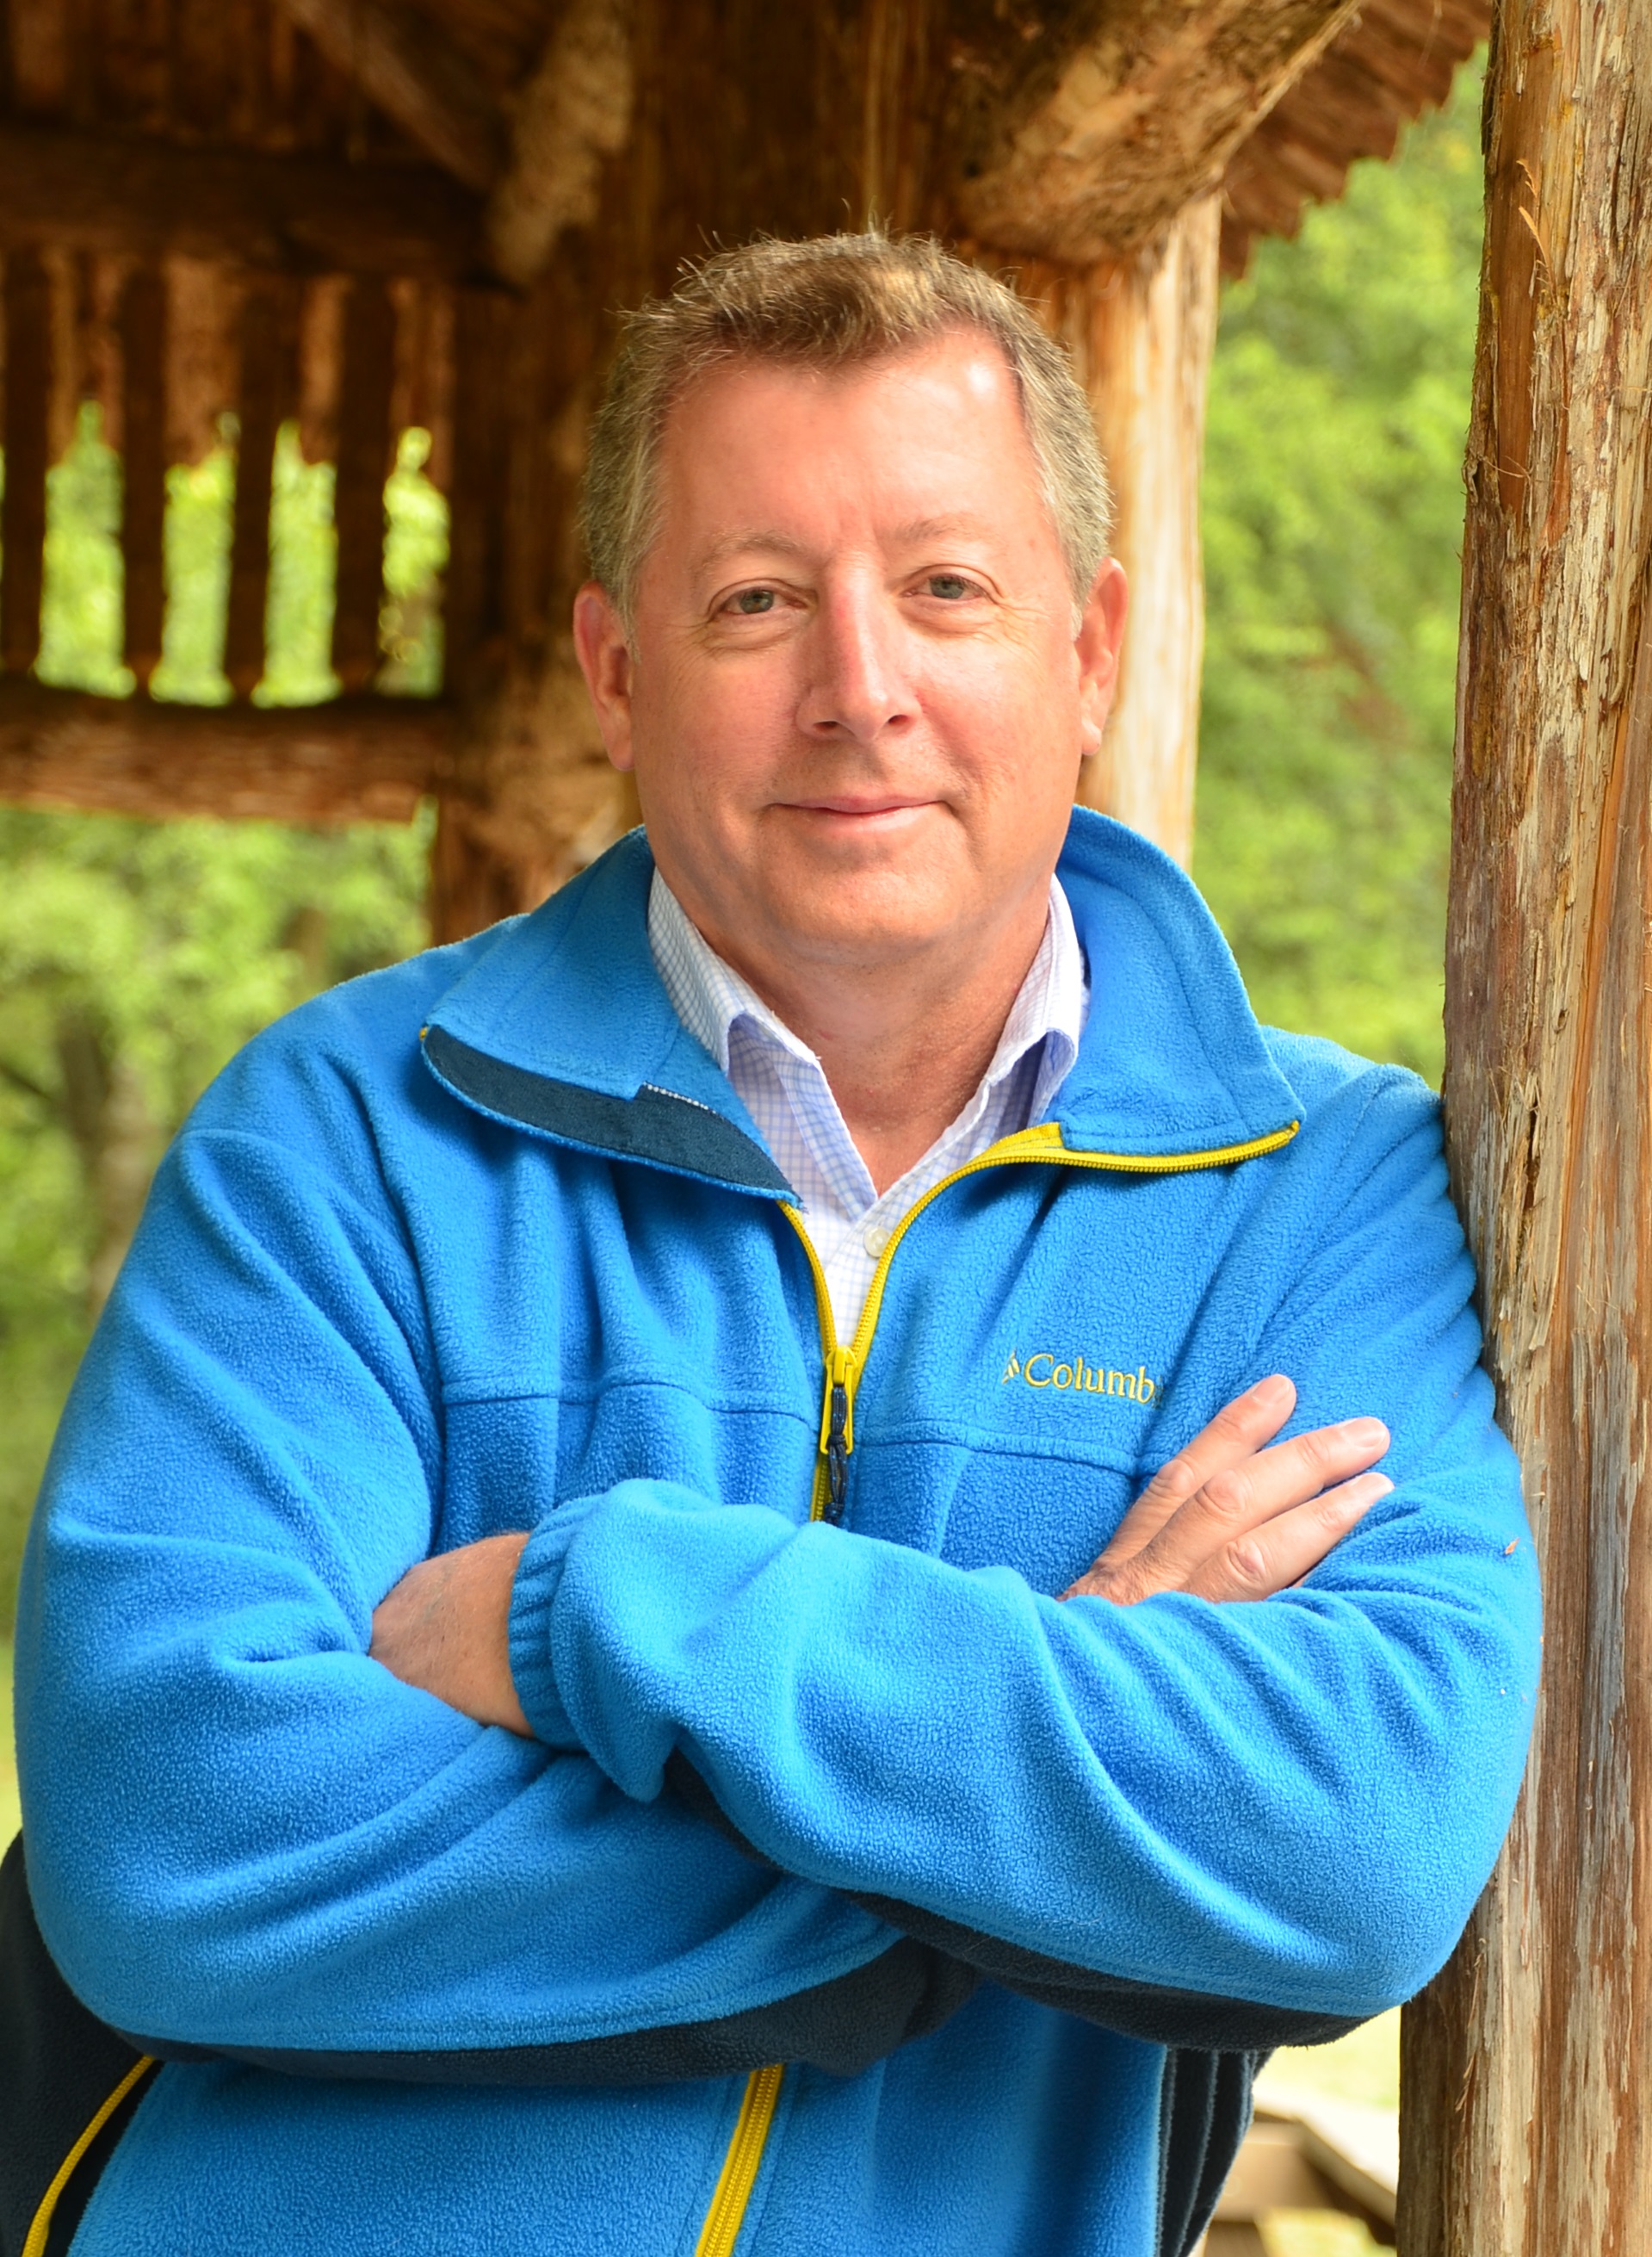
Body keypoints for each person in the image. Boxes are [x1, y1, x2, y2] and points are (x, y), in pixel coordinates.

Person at [7, 233, 1538, 2257]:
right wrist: (1047, 1800)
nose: (859, 688)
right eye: (754, 603)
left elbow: (1352, 1847)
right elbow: (170, 1833)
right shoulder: (348, 1133)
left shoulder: (1316, 1189)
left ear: (1086, 652)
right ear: (616, 670)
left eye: (946, 588)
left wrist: (606, 1605)